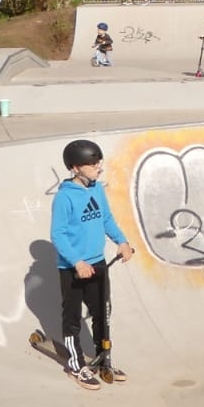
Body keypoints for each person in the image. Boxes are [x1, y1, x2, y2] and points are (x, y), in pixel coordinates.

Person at [52, 139, 136, 389]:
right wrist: (76, 262)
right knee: (72, 318)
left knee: (102, 314)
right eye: (92, 164)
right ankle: (76, 366)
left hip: (98, 263)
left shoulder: (97, 189)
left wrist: (122, 241)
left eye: (99, 162)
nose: (98, 167)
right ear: (75, 167)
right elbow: (58, 234)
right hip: (72, 269)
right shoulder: (64, 197)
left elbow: (106, 218)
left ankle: (104, 360)